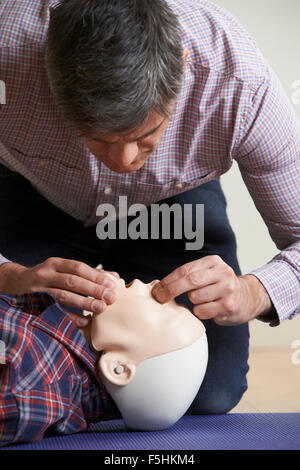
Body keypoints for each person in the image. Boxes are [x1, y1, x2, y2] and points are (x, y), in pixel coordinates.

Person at [0, 0, 299, 417]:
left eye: (146, 134)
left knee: (209, 392)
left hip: (170, 206)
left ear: (181, 65)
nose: (122, 161)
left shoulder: (240, 84)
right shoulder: (6, 49)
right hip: (33, 192)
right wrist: (8, 273)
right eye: (97, 137)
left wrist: (254, 292)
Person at [0, 277, 208, 445]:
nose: (155, 283)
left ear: (118, 368)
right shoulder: (55, 336)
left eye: (166, 310)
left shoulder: (30, 389)